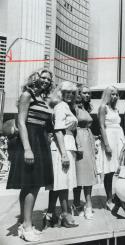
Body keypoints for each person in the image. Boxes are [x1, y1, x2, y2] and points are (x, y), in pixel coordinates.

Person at [6, 69, 54, 241]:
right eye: (43, 77)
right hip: (30, 140)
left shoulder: (42, 99)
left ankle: (25, 223)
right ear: (35, 77)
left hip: (40, 140)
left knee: (31, 184)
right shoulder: (28, 95)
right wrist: (27, 148)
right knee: (32, 184)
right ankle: (26, 226)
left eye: (49, 79)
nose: (46, 81)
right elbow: (21, 121)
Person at [44, 81, 79, 229]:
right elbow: (58, 130)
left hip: (66, 144)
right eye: (66, 92)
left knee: (57, 184)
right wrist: (64, 154)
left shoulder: (66, 107)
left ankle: (50, 215)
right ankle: (65, 215)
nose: (69, 95)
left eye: (72, 92)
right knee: (63, 183)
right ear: (61, 93)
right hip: (62, 146)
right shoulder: (60, 106)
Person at [98, 86, 125, 210]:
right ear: (108, 95)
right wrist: (107, 145)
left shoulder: (116, 109)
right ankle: (108, 199)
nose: (115, 96)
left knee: (116, 170)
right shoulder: (103, 108)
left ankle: (117, 196)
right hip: (109, 139)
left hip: (118, 138)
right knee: (108, 172)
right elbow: (102, 127)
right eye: (112, 94)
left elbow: (118, 126)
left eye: (117, 94)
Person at [72, 85, 97, 219]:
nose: (88, 95)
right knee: (78, 173)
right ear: (78, 93)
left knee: (88, 174)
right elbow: (73, 126)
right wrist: (78, 145)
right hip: (79, 140)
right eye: (85, 93)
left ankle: (88, 204)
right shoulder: (73, 107)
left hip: (88, 140)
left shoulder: (85, 108)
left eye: (89, 93)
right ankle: (77, 203)